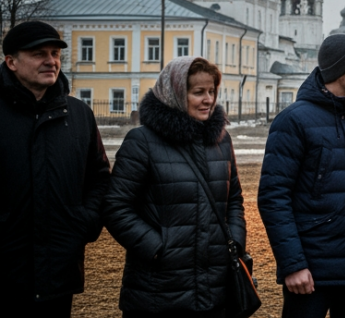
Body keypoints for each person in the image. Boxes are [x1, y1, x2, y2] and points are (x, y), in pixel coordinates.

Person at [259, 34, 345, 318]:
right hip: (310, 272)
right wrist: (293, 264)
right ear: (340, 69)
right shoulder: (293, 120)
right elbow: (273, 197)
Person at [105, 56, 245, 317]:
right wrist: (157, 248)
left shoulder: (221, 141)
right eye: (198, 92)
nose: (208, 99)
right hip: (157, 291)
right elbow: (116, 207)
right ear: (176, 93)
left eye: (212, 91)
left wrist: (235, 241)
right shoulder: (142, 141)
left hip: (215, 288)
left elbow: (234, 199)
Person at [1, 21, 111, 318]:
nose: (51, 61)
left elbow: (99, 179)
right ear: (11, 61)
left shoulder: (78, 114)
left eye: (55, 53)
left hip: (59, 270)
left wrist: (83, 223)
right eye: (39, 54)